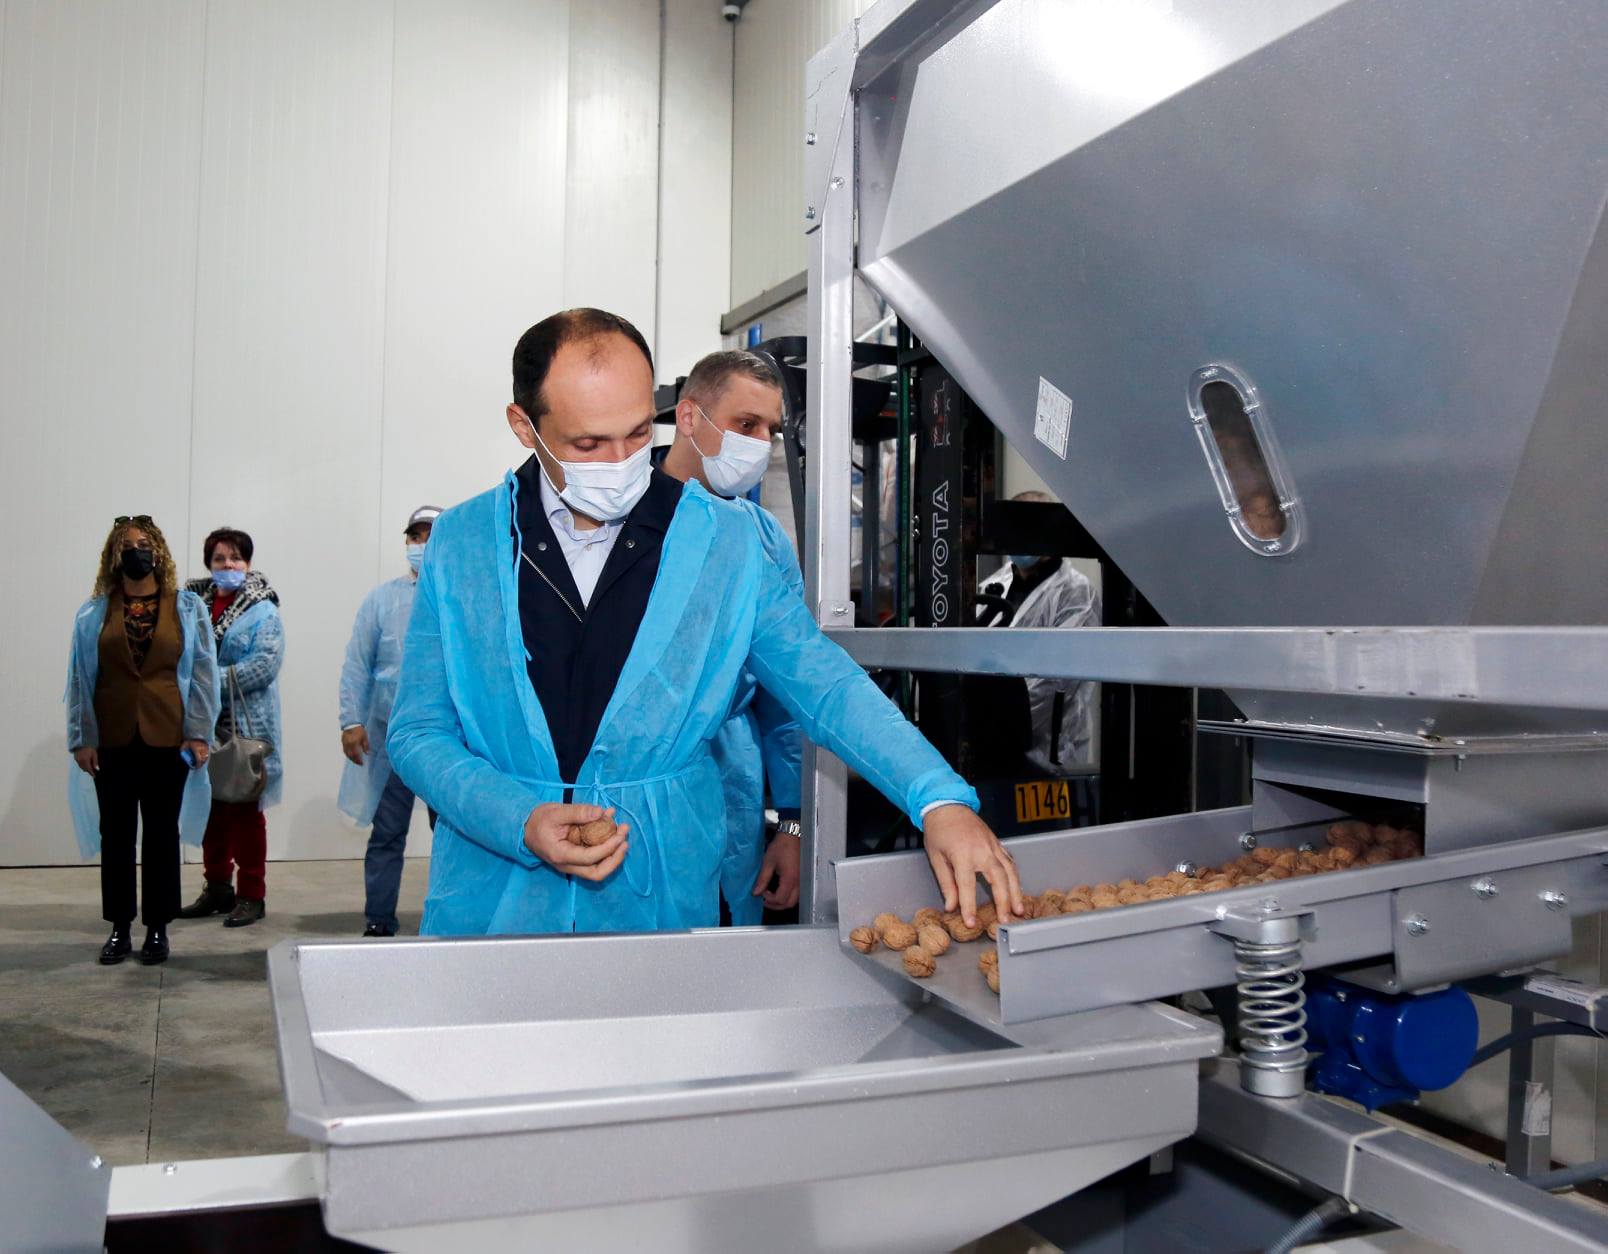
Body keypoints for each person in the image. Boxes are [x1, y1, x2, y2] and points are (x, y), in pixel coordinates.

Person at [388, 307, 1024, 938]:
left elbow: (825, 685)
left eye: (639, 432)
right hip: (494, 901)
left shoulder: (725, 544)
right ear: (525, 426)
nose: (622, 461)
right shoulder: (464, 543)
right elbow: (419, 730)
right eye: (588, 444)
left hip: (655, 897)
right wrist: (516, 817)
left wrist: (936, 795)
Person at [658, 350, 802, 922]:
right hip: (633, 794)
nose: (761, 444)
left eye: (771, 430)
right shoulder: (621, 521)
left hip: (734, 786)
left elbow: (789, 696)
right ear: (689, 418)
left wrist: (792, 824)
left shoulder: (764, 539)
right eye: (746, 424)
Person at [65, 516, 219, 965]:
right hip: (111, 740)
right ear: (115, 556)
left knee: (161, 835)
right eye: (128, 545)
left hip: (168, 739)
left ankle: (157, 927)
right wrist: (82, 737)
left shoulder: (186, 607)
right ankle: (119, 926)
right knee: (115, 835)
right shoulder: (94, 613)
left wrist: (199, 733)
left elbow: (204, 672)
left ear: (159, 551)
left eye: (145, 543)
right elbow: (79, 679)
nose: (138, 551)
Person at [339, 505, 442, 937]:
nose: (421, 545)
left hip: (447, 743)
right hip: (391, 739)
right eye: (415, 536)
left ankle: (450, 917)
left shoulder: (461, 596)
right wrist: (350, 721)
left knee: (455, 837)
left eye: (431, 536)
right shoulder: (381, 600)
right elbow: (357, 664)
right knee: (386, 832)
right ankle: (379, 919)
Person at [177, 528, 285, 928]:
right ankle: (218, 888)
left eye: (236, 558)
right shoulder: (191, 606)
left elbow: (263, 666)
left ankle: (252, 894)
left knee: (245, 812)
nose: (229, 565)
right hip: (202, 725)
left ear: (248, 563)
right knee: (211, 811)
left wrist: (204, 682)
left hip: (246, 727)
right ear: (209, 564)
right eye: (220, 558)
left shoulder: (264, 609)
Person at [978, 491, 1102, 772]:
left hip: (1049, 753)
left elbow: (1055, 679)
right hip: (992, 748)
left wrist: (994, 726)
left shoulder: (1076, 594)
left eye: (1030, 526)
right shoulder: (993, 585)